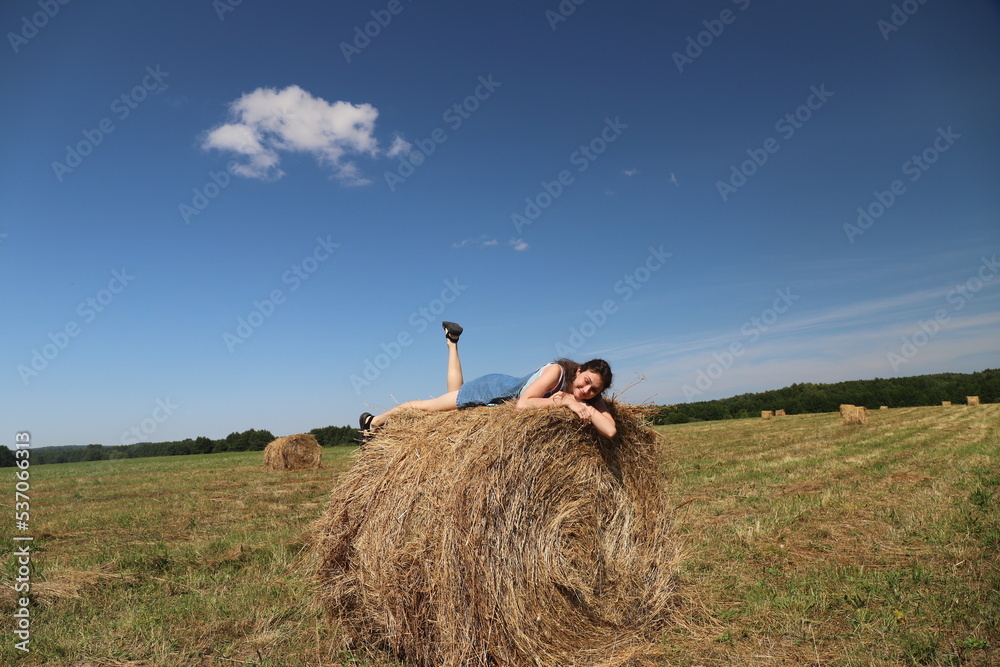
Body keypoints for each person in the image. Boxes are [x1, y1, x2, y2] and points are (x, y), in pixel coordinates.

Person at [359, 322, 617, 439]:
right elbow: (523, 405)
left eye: (594, 390)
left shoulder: (590, 394)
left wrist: (584, 404)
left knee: (453, 396)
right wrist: (566, 403)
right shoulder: (557, 372)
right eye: (585, 382)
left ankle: (452, 343)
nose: (586, 390)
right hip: (490, 390)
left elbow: (610, 430)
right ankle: (373, 423)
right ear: (579, 369)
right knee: (430, 406)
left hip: (501, 386)